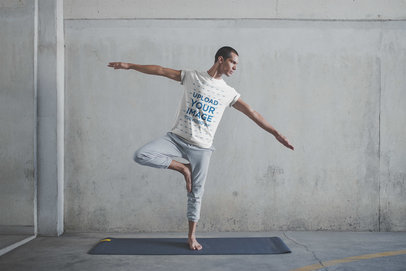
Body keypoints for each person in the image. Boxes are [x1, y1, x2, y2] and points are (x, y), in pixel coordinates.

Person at [107, 46, 294, 251]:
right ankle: (182, 168)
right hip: (176, 139)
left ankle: (191, 236)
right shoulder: (192, 76)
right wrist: (129, 66)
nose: (235, 67)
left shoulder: (228, 92)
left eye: (236, 65)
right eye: (233, 63)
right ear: (220, 59)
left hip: (201, 149)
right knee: (141, 155)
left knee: (196, 193)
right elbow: (160, 70)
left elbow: (252, 112)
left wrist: (276, 133)